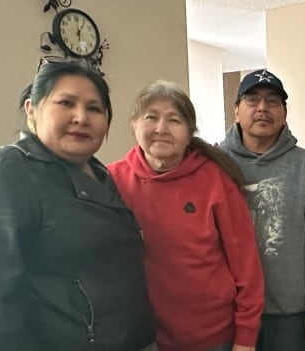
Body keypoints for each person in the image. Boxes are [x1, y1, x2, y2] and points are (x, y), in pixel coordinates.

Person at [0, 61, 156, 350]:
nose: (81, 117)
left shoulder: (101, 175)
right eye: (66, 103)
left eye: (95, 108)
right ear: (31, 109)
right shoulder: (1, 173)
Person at [108, 80, 264, 351]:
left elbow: (246, 265)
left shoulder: (215, 179)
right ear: (134, 124)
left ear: (190, 131)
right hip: (144, 339)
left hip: (215, 337)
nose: (161, 129)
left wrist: (245, 339)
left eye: (174, 120)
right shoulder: (111, 181)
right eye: (151, 118)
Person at [219, 69, 305, 351]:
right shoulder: (215, 162)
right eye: (252, 100)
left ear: (284, 112)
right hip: (228, 309)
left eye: (272, 101)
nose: (262, 108)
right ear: (236, 111)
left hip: (290, 314)